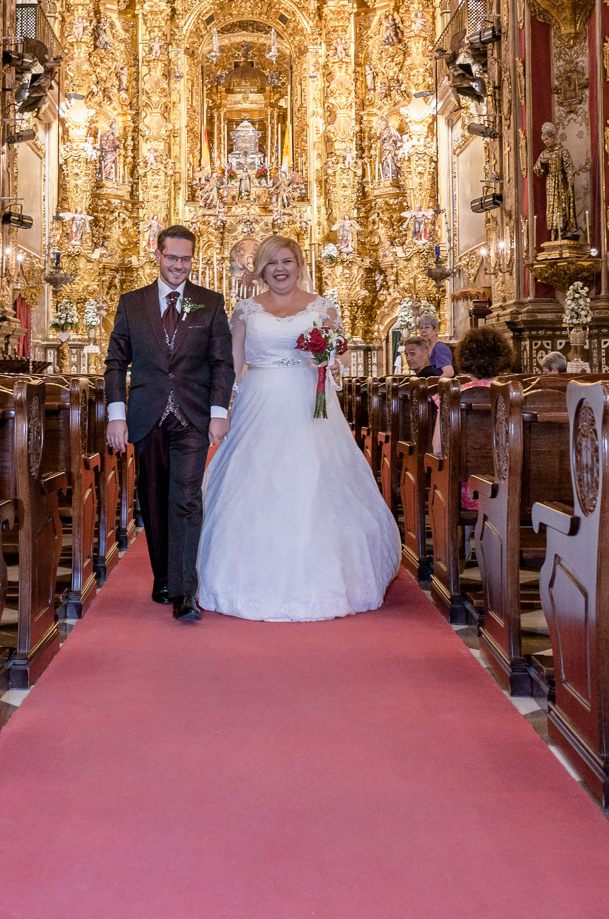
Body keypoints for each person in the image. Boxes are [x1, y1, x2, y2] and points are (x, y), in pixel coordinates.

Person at [197, 236, 400, 622]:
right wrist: (221, 409)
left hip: (309, 404)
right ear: (259, 269)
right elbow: (232, 365)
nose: (279, 269)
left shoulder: (322, 307)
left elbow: (339, 354)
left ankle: (324, 576)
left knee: (313, 479)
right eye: (271, 262)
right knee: (256, 480)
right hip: (258, 400)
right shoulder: (244, 310)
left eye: (286, 261)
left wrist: (332, 362)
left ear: (299, 263)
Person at [105, 226, 233, 623]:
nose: (179, 265)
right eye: (172, 257)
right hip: (146, 414)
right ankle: (162, 577)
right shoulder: (132, 303)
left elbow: (221, 363)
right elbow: (115, 364)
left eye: (186, 258)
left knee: (185, 499)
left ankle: (184, 592)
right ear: (157, 255)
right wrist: (116, 415)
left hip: (192, 416)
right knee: (155, 499)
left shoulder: (209, 303)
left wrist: (218, 413)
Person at [433, 327, 515, 513]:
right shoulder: (518, 395)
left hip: (467, 492)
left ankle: (466, 537)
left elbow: (438, 448)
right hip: (511, 491)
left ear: (465, 359)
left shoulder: (451, 396)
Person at [418, 311, 454, 378]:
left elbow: (449, 373)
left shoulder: (439, 347)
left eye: (427, 327)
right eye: (421, 328)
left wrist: (435, 385)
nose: (423, 331)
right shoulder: (425, 348)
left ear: (435, 330)